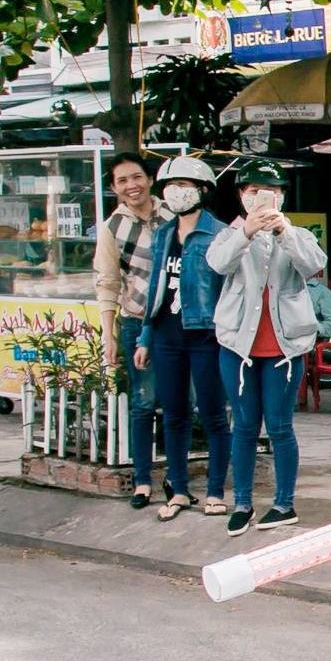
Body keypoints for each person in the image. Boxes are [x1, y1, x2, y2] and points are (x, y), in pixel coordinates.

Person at [207, 159, 328, 536]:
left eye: (270, 191)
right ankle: (242, 504)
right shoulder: (229, 234)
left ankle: (284, 504)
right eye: (253, 191)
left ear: (282, 197)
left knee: (279, 426)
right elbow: (218, 264)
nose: (261, 198)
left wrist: (283, 231)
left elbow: (314, 264)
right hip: (237, 345)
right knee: (244, 426)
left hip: (285, 347)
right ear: (241, 196)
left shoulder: (297, 233)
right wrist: (247, 232)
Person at [138, 155, 227, 519]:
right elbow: (155, 288)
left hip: (206, 333)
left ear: (203, 190)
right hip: (166, 334)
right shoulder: (162, 234)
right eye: (170, 186)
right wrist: (145, 335)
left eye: (184, 185)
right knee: (173, 414)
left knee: (213, 414)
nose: (176, 192)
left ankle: (215, 492)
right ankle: (178, 489)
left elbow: (227, 288)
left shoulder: (220, 234)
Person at [91, 152, 160, 509]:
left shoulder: (173, 214)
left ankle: (179, 481)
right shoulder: (112, 227)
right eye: (122, 181)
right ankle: (142, 480)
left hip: (176, 323)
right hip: (136, 320)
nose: (132, 185)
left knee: (184, 401)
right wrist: (109, 335)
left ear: (150, 179)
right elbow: (108, 283)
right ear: (114, 188)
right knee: (143, 402)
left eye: (137, 177)